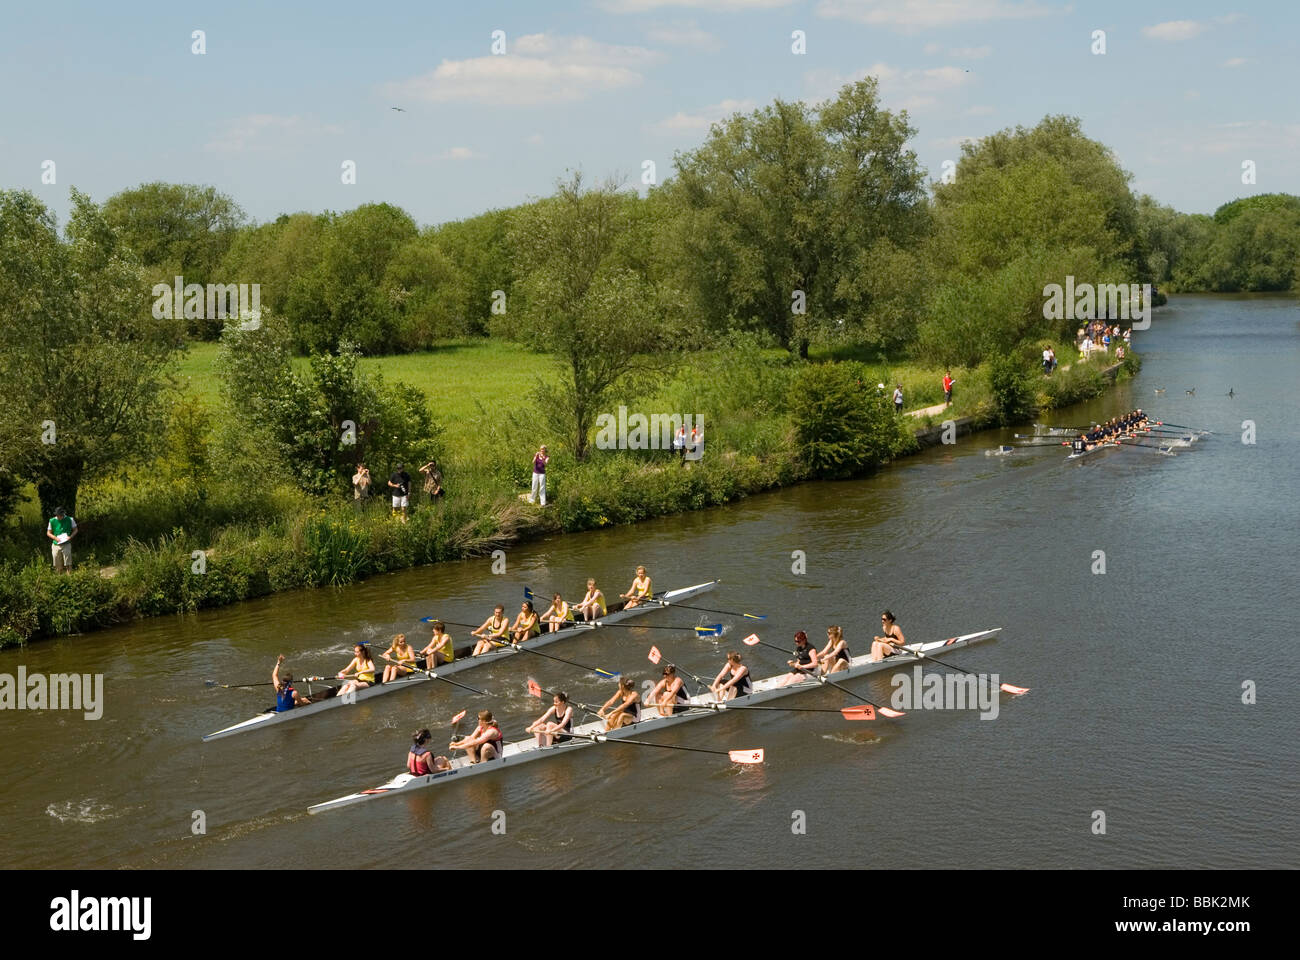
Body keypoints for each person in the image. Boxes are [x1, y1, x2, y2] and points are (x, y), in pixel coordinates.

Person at [46, 507, 78, 572]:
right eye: (57, 515)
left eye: (60, 515)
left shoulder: (70, 519)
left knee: (68, 560)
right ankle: (59, 576)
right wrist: (55, 538)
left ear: (63, 514)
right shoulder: (51, 520)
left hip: (66, 543)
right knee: (56, 560)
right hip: (56, 543)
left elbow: (76, 530)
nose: (58, 517)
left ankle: (69, 575)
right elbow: (48, 533)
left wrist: (70, 536)